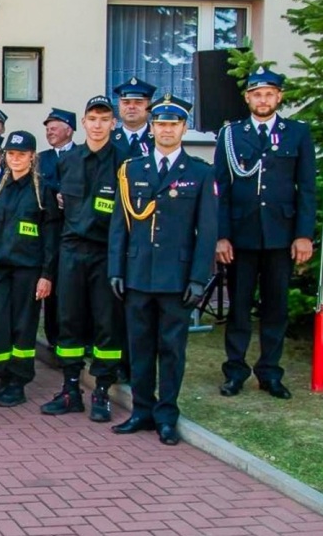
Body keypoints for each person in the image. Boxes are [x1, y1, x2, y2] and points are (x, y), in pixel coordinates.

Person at [109, 94, 217, 446]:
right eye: (161, 124)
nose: (166, 130)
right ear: (152, 127)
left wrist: (199, 278)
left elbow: (207, 232)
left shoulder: (200, 173)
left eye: (174, 124)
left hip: (177, 278)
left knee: (172, 349)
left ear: (184, 128)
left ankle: (167, 414)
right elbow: (119, 226)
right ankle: (141, 410)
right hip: (138, 274)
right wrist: (116, 269)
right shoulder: (132, 170)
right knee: (139, 347)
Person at [215, 66, 316, 399]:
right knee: (239, 307)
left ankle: (270, 373)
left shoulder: (297, 133)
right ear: (247, 98)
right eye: (257, 94)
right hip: (241, 237)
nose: (263, 99)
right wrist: (221, 235)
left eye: (269, 94)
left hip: (280, 235)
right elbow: (222, 189)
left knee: (276, 308)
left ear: (279, 97)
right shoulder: (231, 134)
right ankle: (235, 371)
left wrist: (303, 235)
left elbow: (307, 189)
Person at [42, 96, 129, 422]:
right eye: (92, 118)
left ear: (113, 123)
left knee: (107, 323)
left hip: (106, 252)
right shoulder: (70, 160)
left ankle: (103, 391)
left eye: (104, 119)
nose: (97, 124)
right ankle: (70, 389)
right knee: (69, 321)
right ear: (84, 122)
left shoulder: (125, 162)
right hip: (71, 251)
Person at [0, 131, 60, 408]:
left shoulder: (42, 191)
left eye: (21, 154)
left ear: (32, 157)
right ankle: (3, 375)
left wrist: (47, 275)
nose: (15, 159)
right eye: (11, 154)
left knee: (22, 328)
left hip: (28, 270)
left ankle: (19, 382)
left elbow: (50, 237)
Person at [37, 108, 76, 357]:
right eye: (48, 127)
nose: (50, 130)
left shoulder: (81, 156)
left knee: (71, 288)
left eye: (55, 126)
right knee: (49, 282)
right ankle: (53, 337)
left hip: (74, 230)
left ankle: (73, 337)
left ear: (70, 129)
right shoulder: (41, 158)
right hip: (48, 229)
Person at [111, 77, 157, 158]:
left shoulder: (159, 138)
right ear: (119, 106)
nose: (131, 107)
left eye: (138, 102)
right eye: (126, 102)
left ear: (149, 106)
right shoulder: (107, 139)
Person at [38, 109, 76, 191]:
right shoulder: (40, 158)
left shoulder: (83, 155)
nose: (49, 133)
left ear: (68, 131)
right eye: (47, 130)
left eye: (53, 129)